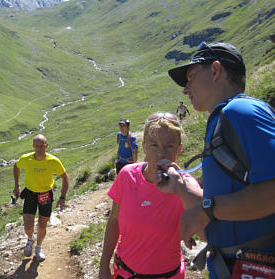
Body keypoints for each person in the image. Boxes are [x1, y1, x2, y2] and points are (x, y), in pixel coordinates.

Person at [168, 41, 275, 278]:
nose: (186, 89)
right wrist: (179, 186)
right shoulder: (223, 119)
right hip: (234, 266)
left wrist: (205, 210)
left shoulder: (240, 112)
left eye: (191, 76)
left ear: (216, 71)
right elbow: (228, 207)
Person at [99, 112, 202, 279]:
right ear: (144, 146)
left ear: (179, 149)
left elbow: (208, 231)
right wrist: (104, 266)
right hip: (125, 273)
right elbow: (114, 220)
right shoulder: (127, 175)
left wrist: (181, 189)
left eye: (169, 146)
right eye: (154, 145)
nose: (161, 153)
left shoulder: (186, 185)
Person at [13, 134, 69, 261]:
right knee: (28, 226)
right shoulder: (26, 159)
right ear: (33, 146)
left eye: (42, 145)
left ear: (46, 145)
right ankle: (30, 238)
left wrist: (62, 197)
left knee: (42, 225)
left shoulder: (53, 161)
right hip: (30, 194)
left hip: (45, 195)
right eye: (37, 146)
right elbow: (16, 166)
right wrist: (17, 185)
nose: (39, 149)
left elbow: (65, 177)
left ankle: (38, 247)